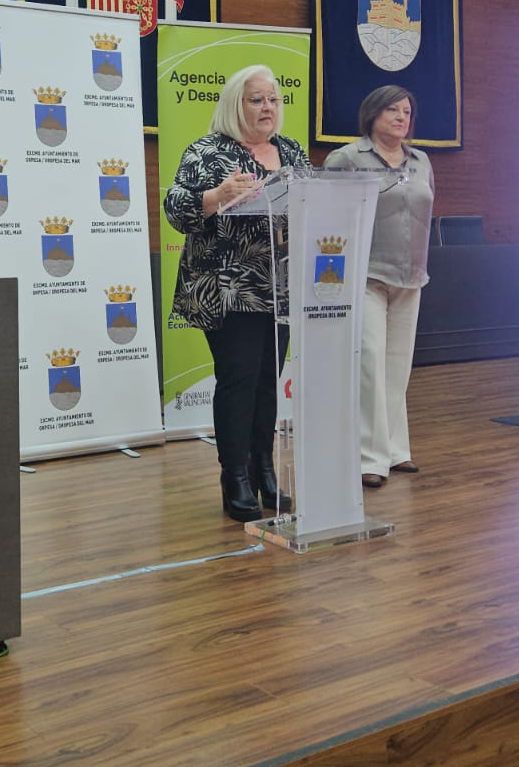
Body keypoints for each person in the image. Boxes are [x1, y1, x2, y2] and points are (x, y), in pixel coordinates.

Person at [164, 66, 310, 522]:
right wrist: (215, 196)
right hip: (227, 287)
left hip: (279, 288)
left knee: (268, 380)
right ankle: (236, 476)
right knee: (239, 379)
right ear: (235, 104)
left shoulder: (291, 151)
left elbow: (311, 203)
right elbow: (175, 208)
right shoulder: (207, 151)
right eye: (257, 100)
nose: (268, 107)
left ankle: (265, 469)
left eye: (273, 99)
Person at [326, 85, 434, 489]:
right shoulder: (347, 159)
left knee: (397, 368)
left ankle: (395, 449)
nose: (401, 117)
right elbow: (327, 216)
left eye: (407, 111)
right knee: (370, 365)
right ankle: (369, 457)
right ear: (372, 114)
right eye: (392, 110)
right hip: (365, 275)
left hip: (411, 275)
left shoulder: (421, 161)